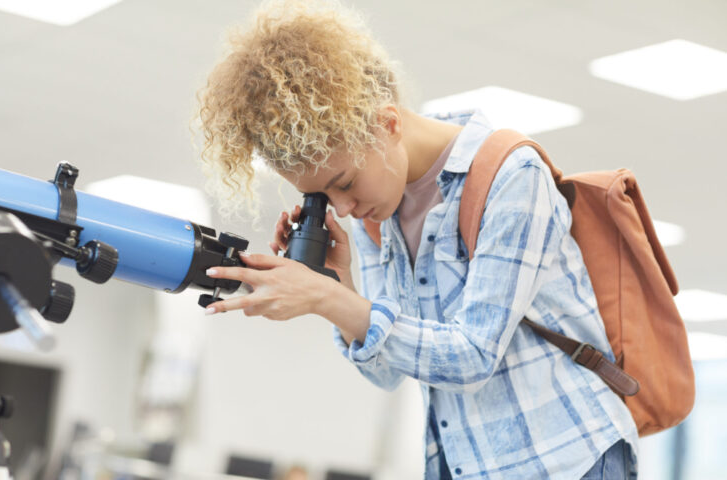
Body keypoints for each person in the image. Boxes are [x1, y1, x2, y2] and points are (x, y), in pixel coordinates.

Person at [195, 1, 638, 478]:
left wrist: (324, 298)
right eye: (321, 195)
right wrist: (338, 289)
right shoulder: (379, 209)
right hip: (462, 464)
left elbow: (472, 357)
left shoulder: (512, 176)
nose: (340, 208)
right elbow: (386, 372)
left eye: (343, 183)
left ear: (388, 124)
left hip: (564, 459)